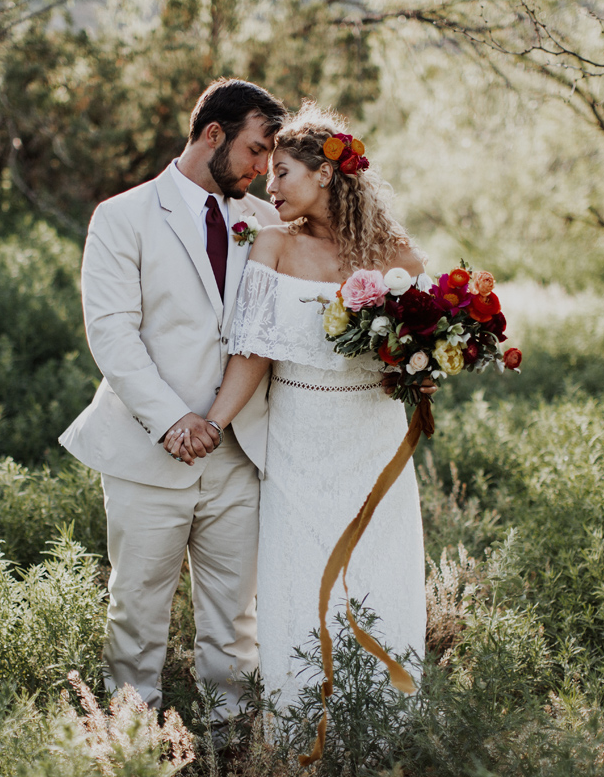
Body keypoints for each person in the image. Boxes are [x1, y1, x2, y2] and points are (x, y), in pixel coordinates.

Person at [167, 103, 428, 711]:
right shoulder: (273, 245)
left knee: (377, 571)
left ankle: (386, 723)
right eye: (268, 170)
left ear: (326, 176)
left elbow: (415, 354)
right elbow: (253, 351)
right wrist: (213, 423)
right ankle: (298, 724)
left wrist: (427, 366)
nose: (269, 183)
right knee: (298, 575)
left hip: (373, 436)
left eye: (283, 171)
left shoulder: (399, 257)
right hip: (297, 436)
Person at [59, 78, 288, 728]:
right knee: (136, 610)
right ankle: (131, 741)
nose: (263, 169)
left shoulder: (262, 222)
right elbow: (111, 332)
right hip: (146, 450)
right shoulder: (123, 216)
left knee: (235, 617)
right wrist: (172, 421)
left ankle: (231, 737)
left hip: (238, 452)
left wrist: (215, 420)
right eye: (255, 150)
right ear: (212, 135)